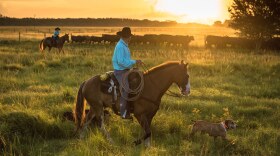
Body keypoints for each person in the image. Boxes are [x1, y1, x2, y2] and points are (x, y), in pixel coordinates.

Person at [112, 27, 142, 119]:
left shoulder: (124, 45)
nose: (130, 38)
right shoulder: (121, 46)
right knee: (126, 88)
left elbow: (125, 60)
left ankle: (132, 106)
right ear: (126, 37)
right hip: (120, 71)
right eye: (130, 37)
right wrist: (134, 62)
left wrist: (133, 63)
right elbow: (121, 61)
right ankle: (123, 112)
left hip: (125, 70)